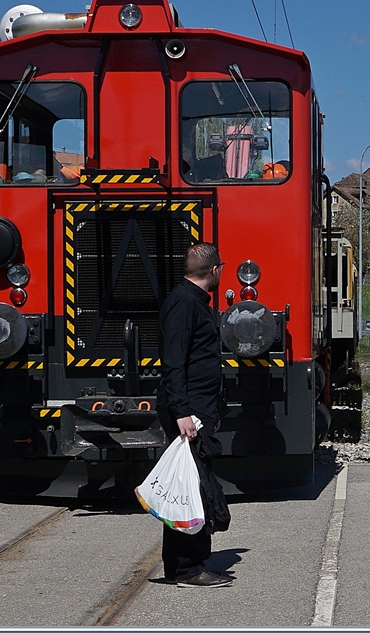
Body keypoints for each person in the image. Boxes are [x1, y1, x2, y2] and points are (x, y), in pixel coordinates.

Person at [156, 242, 232, 588]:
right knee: (193, 491)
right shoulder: (184, 304)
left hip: (198, 409)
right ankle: (188, 568)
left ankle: (182, 565)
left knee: (192, 487)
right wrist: (182, 412)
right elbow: (173, 361)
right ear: (214, 270)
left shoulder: (192, 302)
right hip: (189, 413)